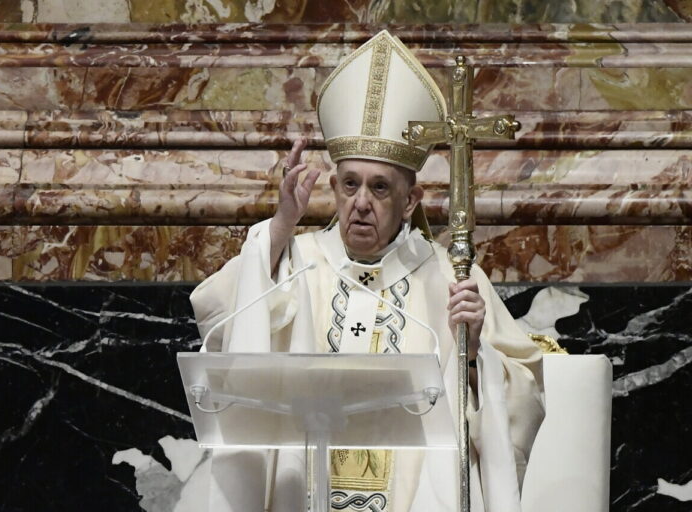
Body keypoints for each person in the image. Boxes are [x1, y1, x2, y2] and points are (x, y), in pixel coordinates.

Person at [191, 30, 544, 512]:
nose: (360, 203)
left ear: (410, 200)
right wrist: (280, 226)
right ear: (333, 186)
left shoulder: (451, 278)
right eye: (349, 184)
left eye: (379, 188)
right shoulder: (294, 261)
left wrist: (473, 354)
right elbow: (221, 320)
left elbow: (522, 394)